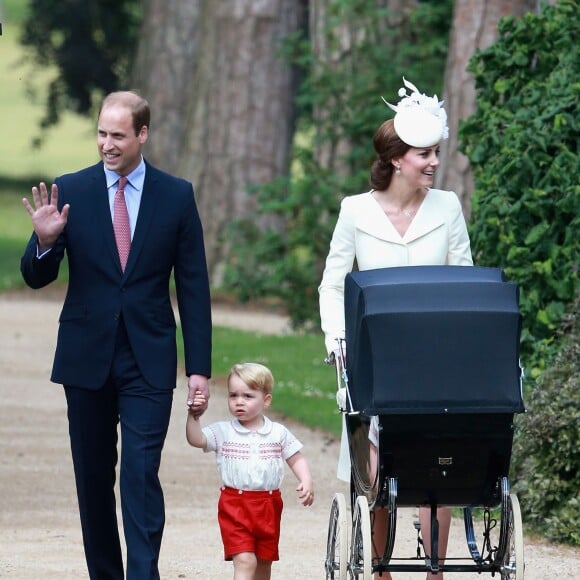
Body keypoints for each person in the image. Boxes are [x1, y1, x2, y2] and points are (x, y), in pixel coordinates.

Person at [20, 90, 212, 580]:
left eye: (118, 135)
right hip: (86, 359)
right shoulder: (72, 190)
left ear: (142, 134)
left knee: (140, 475)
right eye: (102, 133)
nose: (107, 144)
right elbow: (36, 277)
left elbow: (193, 287)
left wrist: (199, 369)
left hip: (148, 357)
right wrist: (43, 242)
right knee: (93, 479)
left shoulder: (175, 195)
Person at [318, 78, 473, 580]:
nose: (433, 162)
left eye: (434, 153)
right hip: (374, 356)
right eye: (423, 154)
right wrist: (337, 339)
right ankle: (380, 569)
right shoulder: (355, 211)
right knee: (378, 472)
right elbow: (333, 284)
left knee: (437, 463)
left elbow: (464, 279)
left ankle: (435, 571)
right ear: (397, 158)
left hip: (436, 354)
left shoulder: (447, 207)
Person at [186, 362, 314, 580]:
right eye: (233, 395)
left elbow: (296, 457)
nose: (239, 402)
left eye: (247, 396)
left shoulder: (277, 433)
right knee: (246, 561)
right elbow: (196, 439)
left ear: (266, 401)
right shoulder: (224, 431)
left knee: (264, 563)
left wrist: (306, 480)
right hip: (235, 504)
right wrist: (194, 417)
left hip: (268, 505)